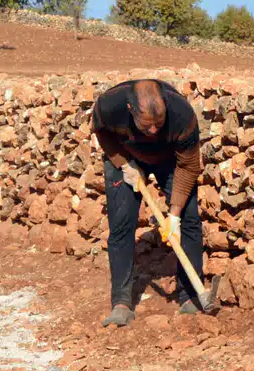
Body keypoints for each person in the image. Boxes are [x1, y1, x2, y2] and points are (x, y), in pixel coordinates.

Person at [91, 78, 213, 327]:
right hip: (126, 155)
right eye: (147, 126)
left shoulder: (182, 115)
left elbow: (189, 166)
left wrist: (174, 216)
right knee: (122, 225)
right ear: (130, 110)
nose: (154, 131)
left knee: (189, 220)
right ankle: (121, 303)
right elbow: (101, 133)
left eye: (159, 124)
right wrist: (123, 165)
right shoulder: (109, 106)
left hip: (171, 160)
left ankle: (189, 295)